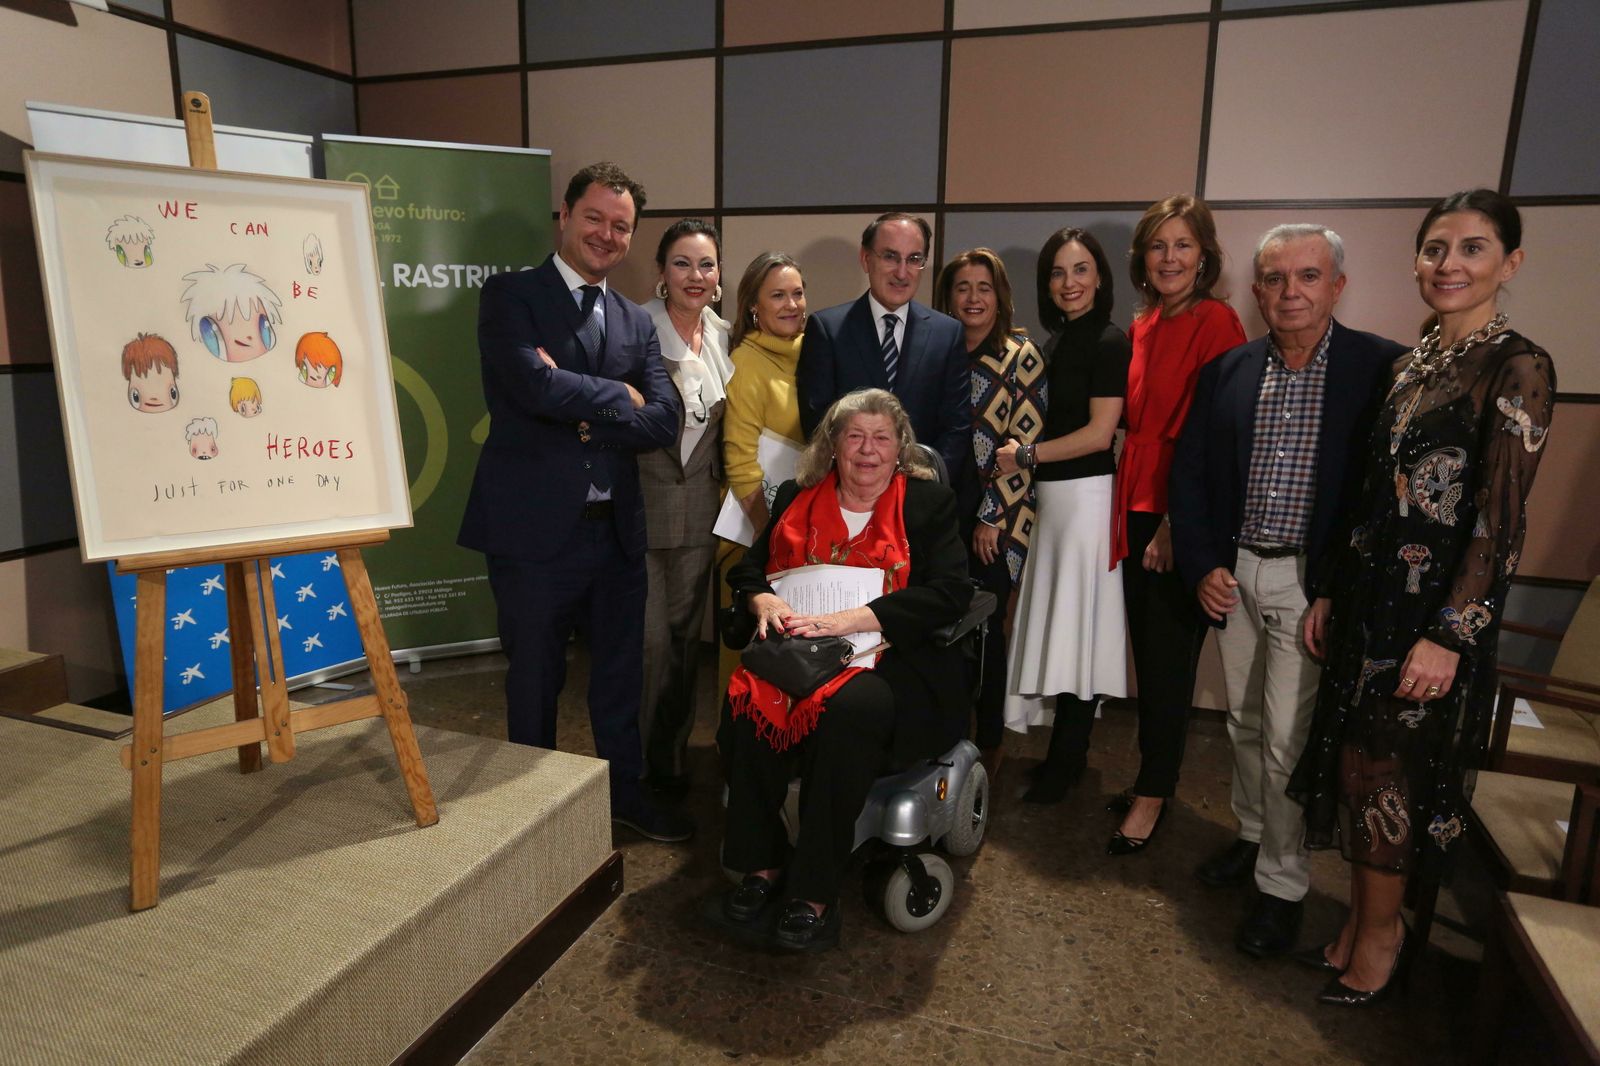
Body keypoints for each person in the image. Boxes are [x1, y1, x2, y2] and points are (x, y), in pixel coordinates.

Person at [1288, 189, 1554, 1006]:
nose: (1450, 265)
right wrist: (1331, 590)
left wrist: (1449, 633)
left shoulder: (1520, 366)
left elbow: (1499, 522)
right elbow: (1369, 496)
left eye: (1473, 249)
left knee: (1387, 777)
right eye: (1436, 248)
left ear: (1509, 263)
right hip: (1370, 604)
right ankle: (1367, 922)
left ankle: (1381, 935)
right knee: (1360, 770)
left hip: (1430, 621)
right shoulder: (1409, 366)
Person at [1169, 224, 1404, 958]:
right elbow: (1192, 474)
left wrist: (1339, 587)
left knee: (1284, 741)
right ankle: (1249, 832)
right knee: (1240, 722)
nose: (1289, 293)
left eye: (1307, 276)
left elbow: (1380, 499)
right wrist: (1204, 561)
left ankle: (1281, 884)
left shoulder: (1380, 369)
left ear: (1337, 285)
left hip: (1313, 584)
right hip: (1234, 570)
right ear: (1256, 289)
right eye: (1273, 279)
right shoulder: (1231, 370)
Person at [457, 161, 691, 843]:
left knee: (619, 679)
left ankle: (625, 796)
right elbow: (531, 388)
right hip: (533, 533)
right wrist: (620, 397)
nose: (606, 234)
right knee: (534, 678)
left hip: (613, 531)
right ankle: (528, 818)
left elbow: (665, 421)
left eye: (621, 226)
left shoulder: (634, 321)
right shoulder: (511, 296)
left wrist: (584, 406)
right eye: (595, 218)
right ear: (565, 215)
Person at [718, 389, 972, 951]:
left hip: (888, 660)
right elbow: (751, 570)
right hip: (802, 654)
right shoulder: (796, 496)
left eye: (882, 438)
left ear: (900, 447)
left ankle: (813, 891)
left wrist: (855, 619)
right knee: (750, 694)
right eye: (855, 436)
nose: (868, 450)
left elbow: (951, 592)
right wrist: (761, 600)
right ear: (833, 445)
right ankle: (760, 866)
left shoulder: (926, 505)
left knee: (851, 711)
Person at [1109, 194, 1247, 854]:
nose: (1169, 257)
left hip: (1175, 512)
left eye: (1182, 245)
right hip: (1129, 504)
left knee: (1167, 667)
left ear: (1204, 255)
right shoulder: (1141, 324)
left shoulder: (1217, 321)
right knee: (1147, 656)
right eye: (1158, 246)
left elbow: (1216, 435)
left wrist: (1176, 524)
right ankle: (1149, 777)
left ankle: (1154, 794)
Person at [995, 228, 1130, 803]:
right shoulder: (1056, 341)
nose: (1069, 283)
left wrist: (1025, 455)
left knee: (1080, 634)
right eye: (1057, 273)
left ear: (1100, 278)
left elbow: (1101, 434)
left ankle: (1067, 764)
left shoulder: (1107, 340)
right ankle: (1061, 758)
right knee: (1063, 629)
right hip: (1053, 503)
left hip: (1087, 502)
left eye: (1079, 271)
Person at [931, 248, 1046, 773]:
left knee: (988, 627)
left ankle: (991, 741)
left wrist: (992, 516)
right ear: (948, 296)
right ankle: (947, 732)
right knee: (944, 626)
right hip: (942, 513)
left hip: (997, 517)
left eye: (984, 287)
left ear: (999, 295)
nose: (973, 298)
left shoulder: (1021, 354)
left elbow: (1025, 444)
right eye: (963, 288)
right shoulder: (938, 349)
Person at [639, 219, 734, 794]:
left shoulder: (726, 337)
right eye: (682, 264)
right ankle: (634, 768)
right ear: (661, 274)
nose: (695, 276)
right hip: (641, 515)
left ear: (719, 275)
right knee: (647, 648)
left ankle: (670, 763)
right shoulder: (634, 331)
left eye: (706, 265)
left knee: (681, 649)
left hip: (700, 518)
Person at [797, 212, 971, 481]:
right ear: (866, 259)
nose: (902, 272)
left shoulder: (947, 334)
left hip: (920, 498)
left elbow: (956, 428)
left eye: (914, 259)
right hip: (848, 496)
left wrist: (925, 481)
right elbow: (818, 425)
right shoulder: (828, 329)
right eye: (890, 256)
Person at [717, 251, 809, 694]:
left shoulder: (812, 349)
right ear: (755, 306)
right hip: (756, 530)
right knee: (753, 657)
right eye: (778, 296)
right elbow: (739, 461)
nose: (792, 304)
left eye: (797, 293)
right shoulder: (747, 362)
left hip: (801, 528)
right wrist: (766, 539)